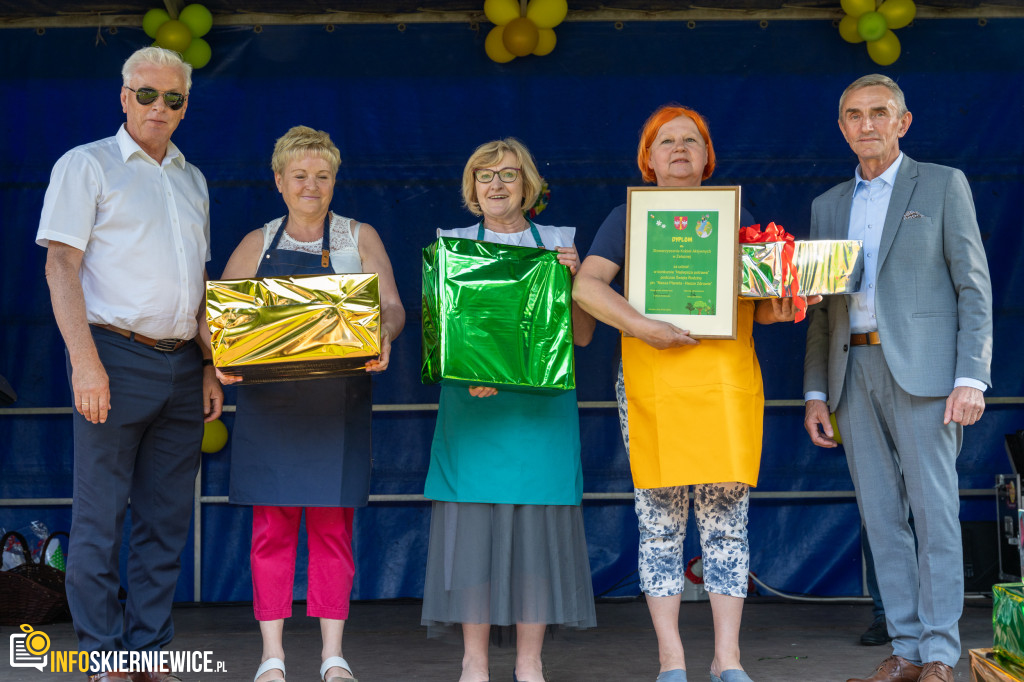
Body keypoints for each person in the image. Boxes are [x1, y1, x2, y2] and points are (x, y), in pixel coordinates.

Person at [573, 104, 813, 682]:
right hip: (653, 378)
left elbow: (758, 305)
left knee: (728, 522)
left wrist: (785, 307)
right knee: (658, 522)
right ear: (647, 160)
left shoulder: (739, 216)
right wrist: (641, 325)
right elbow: (586, 286)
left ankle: (727, 660)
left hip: (724, 381)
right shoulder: (624, 218)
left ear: (708, 158)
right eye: (665, 141)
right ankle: (671, 661)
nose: (679, 149)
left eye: (690, 141)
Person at [36, 46, 223, 682]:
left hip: (180, 364)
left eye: (172, 98)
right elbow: (60, 266)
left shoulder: (193, 179)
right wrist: (85, 364)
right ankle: (103, 657)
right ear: (124, 97)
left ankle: (148, 654)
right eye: (146, 94)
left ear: (186, 106)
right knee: (99, 521)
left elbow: (198, 284)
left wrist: (207, 364)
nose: (158, 107)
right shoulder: (85, 165)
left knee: (165, 524)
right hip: (110, 356)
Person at [802, 74, 993, 682]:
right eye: (854, 115)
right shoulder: (827, 204)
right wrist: (814, 391)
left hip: (928, 374)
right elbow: (819, 308)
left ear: (903, 122)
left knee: (935, 514)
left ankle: (940, 651)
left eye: (880, 113)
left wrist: (973, 376)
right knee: (880, 515)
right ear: (841, 128)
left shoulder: (941, 184)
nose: (867, 124)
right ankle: (907, 648)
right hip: (850, 370)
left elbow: (973, 287)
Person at [216, 126, 405, 682]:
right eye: (299, 175)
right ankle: (271, 655)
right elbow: (220, 321)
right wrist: (219, 356)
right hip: (268, 408)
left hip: (337, 406)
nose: (311, 185)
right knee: (271, 533)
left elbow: (392, 307)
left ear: (334, 181)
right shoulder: (256, 242)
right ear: (279, 181)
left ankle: (332, 654)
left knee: (332, 531)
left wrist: (385, 335)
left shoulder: (359, 237)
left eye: (322, 176)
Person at [420, 138, 597, 682]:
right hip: (472, 409)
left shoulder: (562, 243)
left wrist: (573, 284)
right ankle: (474, 662)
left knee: (538, 535)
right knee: (471, 530)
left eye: (508, 175)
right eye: (485, 175)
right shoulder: (449, 243)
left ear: (529, 184)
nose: (496, 185)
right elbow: (438, 330)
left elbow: (584, 338)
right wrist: (467, 371)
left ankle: (529, 663)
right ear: (472, 188)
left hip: (540, 411)